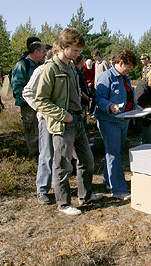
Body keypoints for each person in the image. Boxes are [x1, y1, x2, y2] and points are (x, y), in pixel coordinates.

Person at [35, 28, 103, 216]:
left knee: (87, 160)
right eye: (75, 50)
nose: (78, 54)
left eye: (80, 51)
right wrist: (64, 115)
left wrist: (80, 113)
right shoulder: (51, 68)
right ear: (63, 47)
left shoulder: (72, 66)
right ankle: (64, 204)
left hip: (77, 120)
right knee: (63, 165)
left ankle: (85, 195)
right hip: (63, 123)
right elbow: (41, 100)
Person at [94, 50, 143, 201]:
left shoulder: (125, 78)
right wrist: (110, 106)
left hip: (124, 120)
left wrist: (135, 106)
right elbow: (99, 98)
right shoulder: (105, 77)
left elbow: (128, 96)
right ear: (120, 63)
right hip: (109, 121)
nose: (129, 70)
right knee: (113, 155)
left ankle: (108, 181)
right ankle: (119, 190)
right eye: (128, 67)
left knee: (113, 153)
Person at [22, 43, 57, 204]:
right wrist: (40, 109)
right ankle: (42, 189)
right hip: (46, 121)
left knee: (60, 155)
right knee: (46, 154)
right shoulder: (41, 70)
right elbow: (27, 92)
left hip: (61, 120)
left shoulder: (64, 70)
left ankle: (58, 187)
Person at [11, 40, 46, 157]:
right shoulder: (22, 65)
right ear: (35, 51)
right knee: (32, 134)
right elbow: (17, 87)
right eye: (43, 51)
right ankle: (34, 158)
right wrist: (29, 102)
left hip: (40, 105)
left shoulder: (41, 65)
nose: (45, 54)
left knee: (41, 132)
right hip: (28, 106)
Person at [74, 53, 91, 126]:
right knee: (81, 122)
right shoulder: (76, 72)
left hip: (84, 100)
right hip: (81, 101)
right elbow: (78, 88)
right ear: (81, 61)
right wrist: (86, 97)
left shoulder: (80, 71)